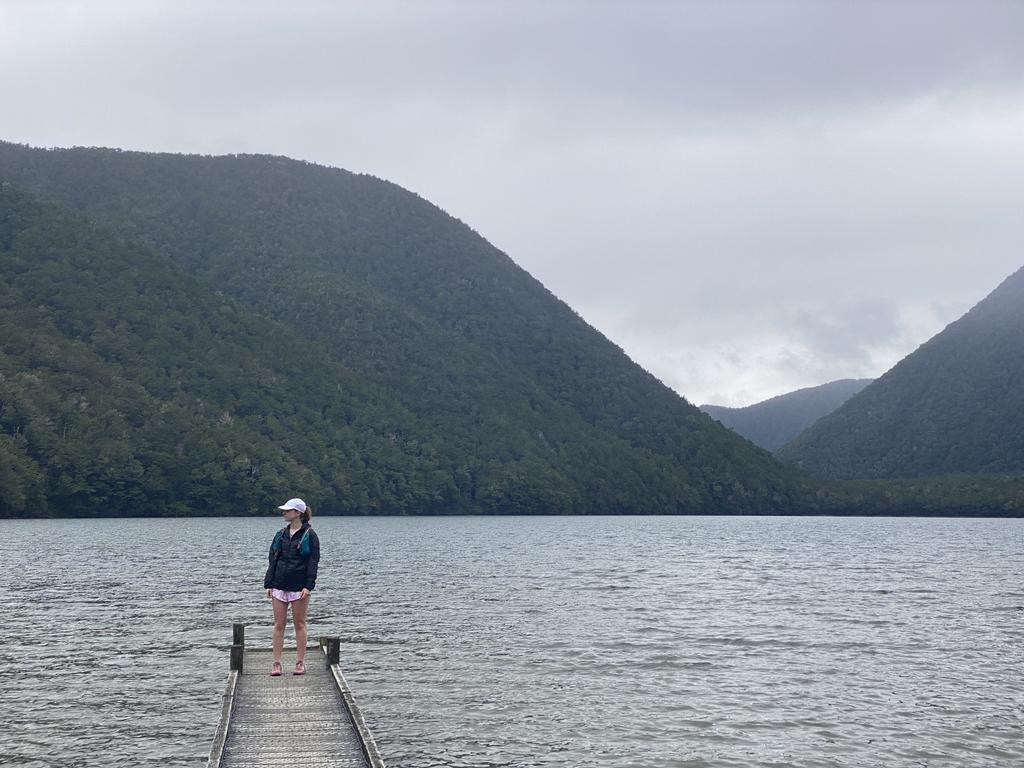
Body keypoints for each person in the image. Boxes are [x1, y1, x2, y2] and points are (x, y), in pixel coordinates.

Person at [263, 497, 321, 676]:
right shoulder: (280, 534)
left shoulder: (310, 535)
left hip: (299, 587)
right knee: (278, 625)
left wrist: (308, 586)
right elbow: (273, 559)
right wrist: (269, 583)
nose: (283, 513)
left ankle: (300, 662)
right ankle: (276, 663)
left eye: (287, 510)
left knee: (299, 624)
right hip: (279, 585)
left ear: (298, 513)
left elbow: (313, 562)